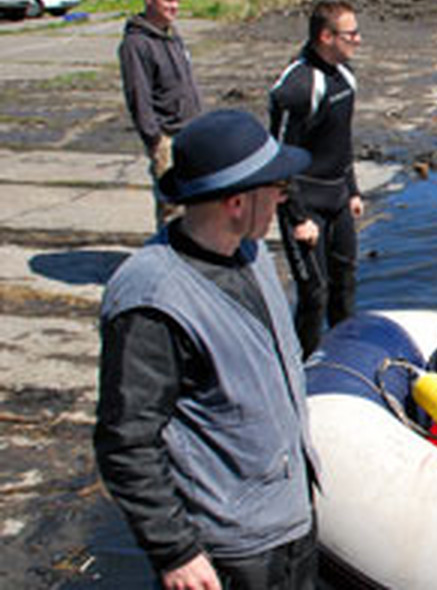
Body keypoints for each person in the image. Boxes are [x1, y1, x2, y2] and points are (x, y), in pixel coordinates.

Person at [94, 110, 319, 590]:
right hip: (232, 548)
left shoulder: (250, 251)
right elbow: (126, 442)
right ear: (237, 202)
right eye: (275, 187)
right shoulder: (153, 299)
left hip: (290, 518)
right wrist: (174, 550)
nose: (285, 196)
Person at [269, 0, 364, 357]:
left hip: (337, 197)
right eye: (351, 33)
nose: (358, 40)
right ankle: (300, 367)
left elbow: (342, 140)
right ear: (326, 36)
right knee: (314, 295)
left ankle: (344, 359)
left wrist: (352, 189)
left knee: (345, 284)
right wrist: (297, 217)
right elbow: (279, 157)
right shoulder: (298, 86)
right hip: (304, 204)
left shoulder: (345, 76)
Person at [118, 0, 203, 227]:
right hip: (167, 137)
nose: (174, 7)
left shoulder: (171, 35)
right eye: (168, 1)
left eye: (177, 1)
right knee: (172, 207)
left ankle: (189, 259)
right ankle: (167, 260)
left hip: (190, 132)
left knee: (195, 203)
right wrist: (154, 138)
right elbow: (138, 96)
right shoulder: (136, 44)